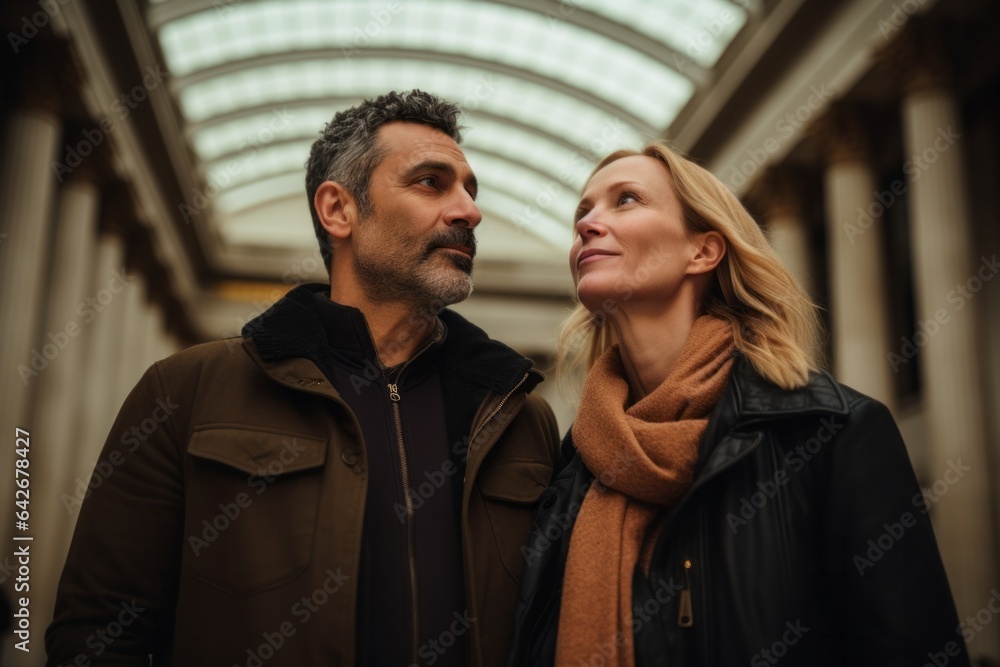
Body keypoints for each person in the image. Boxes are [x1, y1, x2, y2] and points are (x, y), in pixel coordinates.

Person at [46, 90, 560, 667]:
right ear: (338, 209)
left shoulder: (519, 414)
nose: (469, 211)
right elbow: (98, 634)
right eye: (430, 182)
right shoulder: (186, 392)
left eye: (470, 189)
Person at [508, 142, 968, 666]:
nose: (589, 223)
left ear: (703, 251)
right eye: (582, 212)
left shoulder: (831, 433)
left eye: (626, 200)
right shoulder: (572, 472)